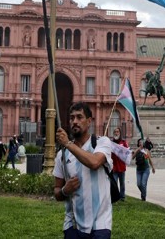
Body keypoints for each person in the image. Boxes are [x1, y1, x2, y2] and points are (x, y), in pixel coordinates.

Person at [54, 102, 113, 238]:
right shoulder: (62, 155)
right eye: (72, 118)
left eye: (79, 117)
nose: (75, 121)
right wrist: (64, 191)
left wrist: (68, 143)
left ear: (89, 121)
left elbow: (94, 162)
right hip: (73, 225)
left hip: (100, 225)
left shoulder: (101, 142)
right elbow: (57, 191)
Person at [111, 127, 128, 202]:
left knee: (122, 183)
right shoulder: (111, 142)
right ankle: (115, 196)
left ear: (120, 133)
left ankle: (122, 197)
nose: (116, 133)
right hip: (114, 167)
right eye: (115, 131)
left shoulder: (123, 142)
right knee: (114, 183)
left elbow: (127, 152)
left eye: (117, 131)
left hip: (121, 167)